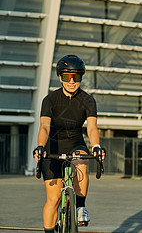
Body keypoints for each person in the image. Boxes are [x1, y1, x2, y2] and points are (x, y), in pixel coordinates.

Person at [33, 54, 105, 233]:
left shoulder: (88, 100)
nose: (72, 81)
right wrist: (40, 147)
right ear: (60, 77)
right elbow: (44, 127)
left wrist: (96, 146)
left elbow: (92, 128)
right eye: (67, 77)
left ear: (81, 77)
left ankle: (80, 207)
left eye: (76, 77)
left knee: (81, 162)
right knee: (54, 198)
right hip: (52, 146)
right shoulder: (50, 100)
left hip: (75, 143)